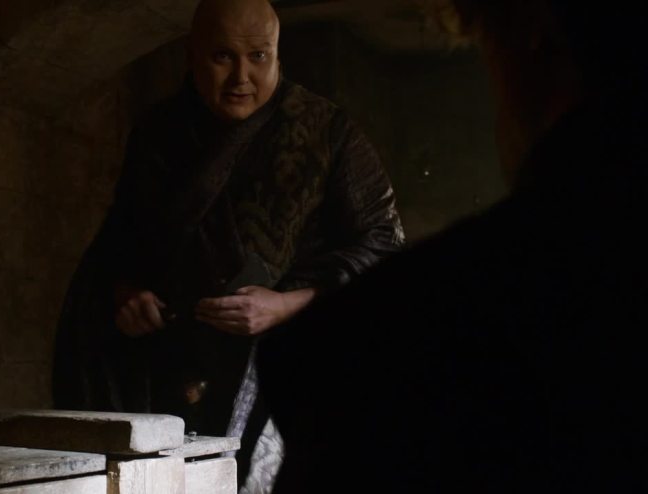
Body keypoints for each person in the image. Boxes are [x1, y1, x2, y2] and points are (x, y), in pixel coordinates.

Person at [257, 0, 648, 492]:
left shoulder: (374, 352)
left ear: (531, 37)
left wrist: (299, 306)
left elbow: (380, 243)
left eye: (257, 55)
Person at [52, 0, 404, 490]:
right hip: (166, 379)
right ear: (193, 56)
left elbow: (385, 248)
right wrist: (125, 295)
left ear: (277, 55)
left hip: (282, 375)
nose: (241, 77)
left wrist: (285, 306)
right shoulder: (159, 133)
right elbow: (117, 247)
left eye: (258, 57)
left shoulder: (329, 132)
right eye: (222, 57)